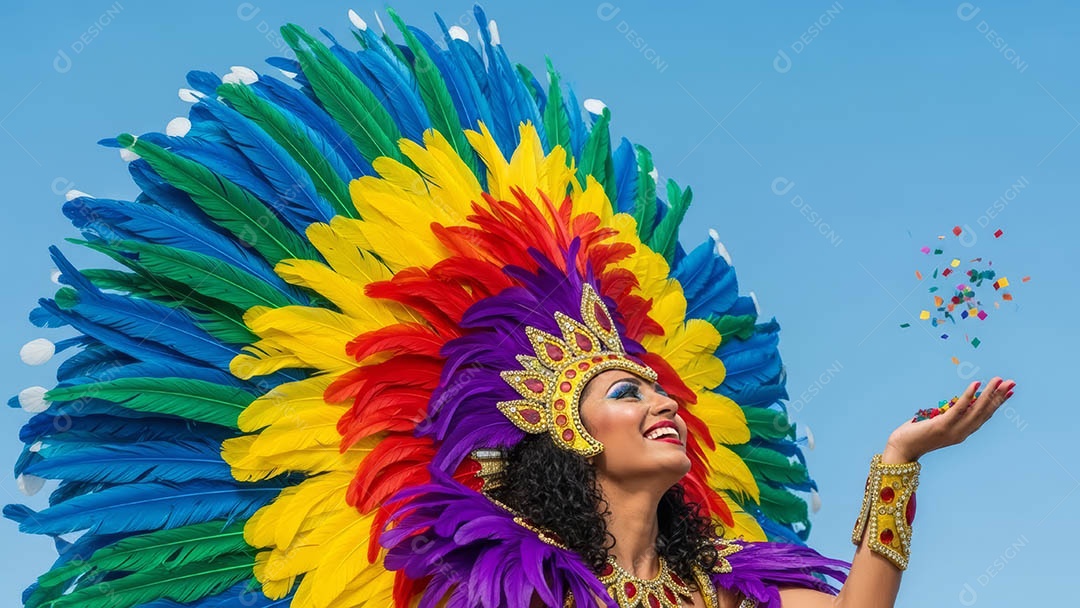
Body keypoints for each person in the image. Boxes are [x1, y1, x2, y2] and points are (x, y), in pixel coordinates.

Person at [4, 5, 1015, 607]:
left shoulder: (729, 580)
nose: (663, 396)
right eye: (628, 388)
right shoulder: (495, 571)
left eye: (658, 380)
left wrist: (895, 463)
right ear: (569, 437)